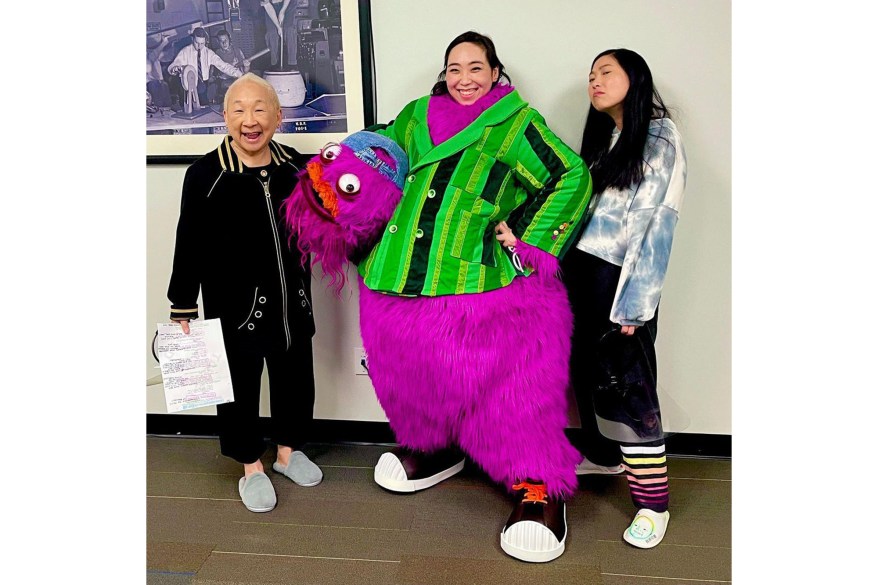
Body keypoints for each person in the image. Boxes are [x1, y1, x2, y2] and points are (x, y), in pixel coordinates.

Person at [357, 31, 591, 562]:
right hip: (398, 277)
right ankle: (434, 445)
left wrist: (527, 237)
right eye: (455, 68)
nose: (465, 78)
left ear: (494, 72)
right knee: (412, 377)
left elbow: (568, 175)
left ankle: (536, 484)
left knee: (511, 389)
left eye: (476, 68)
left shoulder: (515, 123)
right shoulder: (415, 115)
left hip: (475, 282)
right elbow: (380, 158)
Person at [167, 73, 323, 514]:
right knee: (238, 386)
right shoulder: (205, 176)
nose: (249, 120)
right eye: (239, 110)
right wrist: (182, 304)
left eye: (260, 109)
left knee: (295, 376)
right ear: (225, 118)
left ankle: (288, 452)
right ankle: (251, 465)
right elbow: (189, 242)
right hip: (236, 309)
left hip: (294, 301)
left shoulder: (296, 166)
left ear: (278, 116)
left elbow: (319, 225)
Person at [561, 48, 688, 549]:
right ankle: (604, 455)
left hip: (618, 280)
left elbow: (658, 220)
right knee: (581, 373)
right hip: (579, 273)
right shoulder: (601, 142)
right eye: (590, 74)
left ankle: (653, 507)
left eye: (605, 72)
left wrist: (636, 304)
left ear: (635, 79)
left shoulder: (658, 135)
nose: (594, 81)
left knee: (628, 388)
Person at [168, 27, 243, 107]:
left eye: (202, 43)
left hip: (202, 86)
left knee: (204, 108)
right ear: (192, 39)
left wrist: (239, 74)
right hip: (186, 87)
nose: (199, 46)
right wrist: (175, 68)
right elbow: (174, 65)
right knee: (186, 109)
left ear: (205, 41)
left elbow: (224, 66)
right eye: (197, 43)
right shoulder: (185, 52)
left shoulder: (209, 53)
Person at [208, 29, 249, 104]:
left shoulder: (237, 51)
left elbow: (245, 72)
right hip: (224, 81)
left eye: (226, 40)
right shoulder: (216, 54)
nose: (224, 43)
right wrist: (231, 64)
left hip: (238, 79)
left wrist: (246, 66)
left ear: (229, 39)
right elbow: (217, 74)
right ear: (218, 42)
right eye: (221, 41)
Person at [261, 0, 298, 69]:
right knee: (272, 33)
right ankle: (274, 63)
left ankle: (292, 63)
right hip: (271, 6)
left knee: (289, 30)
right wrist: (278, 26)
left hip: (289, 3)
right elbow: (268, 6)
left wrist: (282, 11)